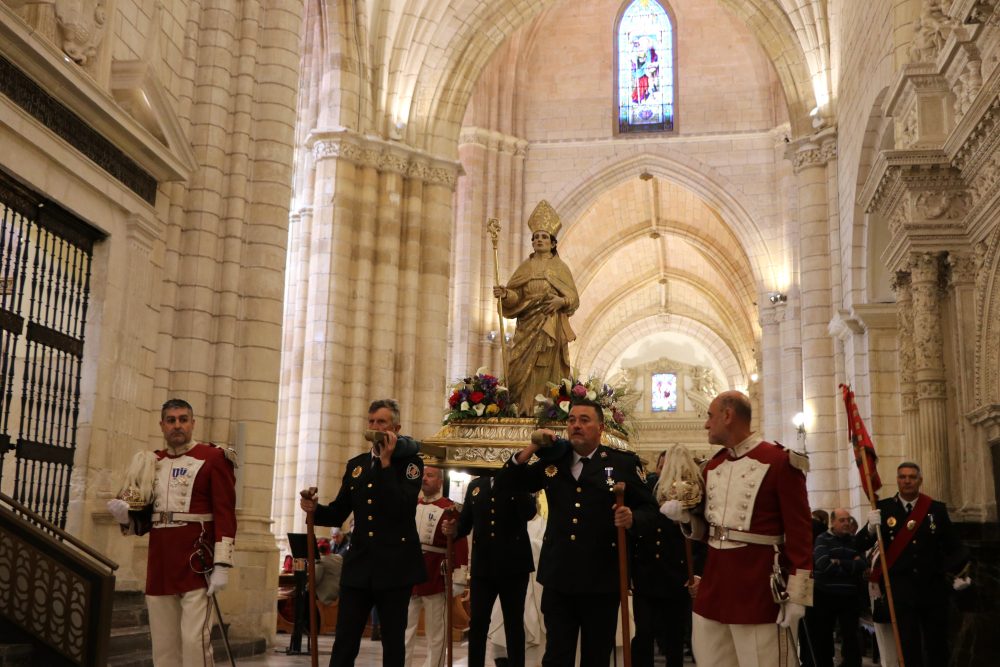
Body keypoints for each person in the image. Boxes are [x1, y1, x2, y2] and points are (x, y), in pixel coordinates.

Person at [500, 398, 658, 667]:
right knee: (556, 657)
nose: (576, 425)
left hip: (602, 579)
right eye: (571, 420)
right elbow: (507, 483)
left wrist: (632, 518)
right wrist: (534, 446)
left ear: (601, 427)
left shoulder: (621, 463)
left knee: (596, 657)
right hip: (559, 576)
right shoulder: (554, 460)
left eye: (584, 420)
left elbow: (651, 510)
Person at [661, 390, 813, 667]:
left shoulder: (779, 462)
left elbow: (800, 535)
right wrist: (685, 519)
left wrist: (798, 596)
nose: (706, 424)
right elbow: (709, 531)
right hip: (714, 590)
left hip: (759, 591)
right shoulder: (712, 467)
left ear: (728, 416)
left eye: (710, 416)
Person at [106, 398, 237, 666]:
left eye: (183, 420)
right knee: (164, 644)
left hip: (196, 562)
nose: (177, 425)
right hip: (160, 564)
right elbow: (144, 519)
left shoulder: (213, 458)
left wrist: (222, 564)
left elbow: (225, 513)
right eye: (171, 420)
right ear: (162, 425)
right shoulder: (151, 462)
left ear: (193, 423)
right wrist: (126, 516)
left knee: (194, 641)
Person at [299, 398, 426, 667]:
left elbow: (402, 507)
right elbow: (338, 512)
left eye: (382, 422)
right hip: (359, 566)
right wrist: (314, 509)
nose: (375, 427)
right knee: (345, 641)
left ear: (396, 428)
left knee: (393, 642)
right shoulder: (356, 465)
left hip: (394, 567)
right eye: (371, 421)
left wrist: (386, 463)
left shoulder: (411, 464)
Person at [857, 462, 969, 667]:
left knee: (937, 646)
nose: (907, 481)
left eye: (912, 477)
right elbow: (859, 544)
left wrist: (955, 573)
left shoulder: (936, 509)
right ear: (897, 480)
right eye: (902, 477)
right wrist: (870, 529)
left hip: (933, 589)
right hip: (900, 592)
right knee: (908, 647)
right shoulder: (884, 509)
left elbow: (955, 547)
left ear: (920, 480)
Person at [441, 472, 537, 667]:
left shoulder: (518, 480)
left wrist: (515, 480)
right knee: (477, 623)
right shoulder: (476, 485)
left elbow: (529, 513)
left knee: (513, 624)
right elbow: (465, 523)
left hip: (513, 567)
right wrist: (454, 529)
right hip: (483, 568)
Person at [492, 200, 578, 415]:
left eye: (544, 237)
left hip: (550, 326)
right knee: (518, 366)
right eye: (536, 237)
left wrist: (560, 302)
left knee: (545, 367)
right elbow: (517, 296)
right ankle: (520, 408)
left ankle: (543, 410)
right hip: (527, 326)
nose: (539, 240)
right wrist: (506, 294)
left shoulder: (560, 268)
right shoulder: (525, 267)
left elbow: (573, 299)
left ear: (553, 243)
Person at [631, 449, 703, 667]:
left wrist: (696, 572)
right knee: (643, 634)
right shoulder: (646, 491)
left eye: (669, 467)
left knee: (674, 638)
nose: (665, 472)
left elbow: (699, 537)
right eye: (662, 467)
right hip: (646, 575)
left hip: (676, 576)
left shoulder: (691, 492)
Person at [404, 466, 469, 667]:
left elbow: (460, 542)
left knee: (436, 633)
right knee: (404, 630)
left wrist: (459, 576)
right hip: (409, 573)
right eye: (423, 475)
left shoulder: (450, 508)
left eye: (430, 476)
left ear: (440, 481)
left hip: (435, 575)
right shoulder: (411, 505)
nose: (424, 479)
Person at [809, 508, 865, 667]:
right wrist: (850, 566)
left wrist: (839, 562)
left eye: (848, 520)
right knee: (824, 635)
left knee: (851, 635)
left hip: (849, 595)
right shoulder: (822, 539)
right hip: (825, 594)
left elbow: (862, 564)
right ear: (832, 522)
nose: (846, 523)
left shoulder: (854, 540)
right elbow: (823, 565)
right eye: (842, 520)